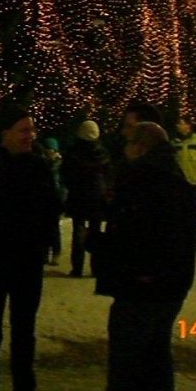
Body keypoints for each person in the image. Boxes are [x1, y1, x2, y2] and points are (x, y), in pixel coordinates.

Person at [98, 122, 196, 391]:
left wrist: (97, 244)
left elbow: (135, 235)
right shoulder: (175, 178)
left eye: (128, 142)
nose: (124, 148)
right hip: (170, 285)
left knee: (128, 362)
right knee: (156, 356)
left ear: (140, 146)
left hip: (142, 285)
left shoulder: (144, 180)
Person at [0, 106, 61, 391]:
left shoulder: (38, 166)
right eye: (24, 130)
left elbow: (50, 209)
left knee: (24, 329)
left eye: (32, 130)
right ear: (5, 133)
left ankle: (25, 386)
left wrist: (47, 242)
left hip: (27, 260)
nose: (30, 136)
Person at [61, 119, 110, 278]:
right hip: (97, 195)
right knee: (96, 231)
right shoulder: (102, 152)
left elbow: (66, 174)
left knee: (78, 231)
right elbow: (108, 173)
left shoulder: (73, 152)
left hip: (79, 195)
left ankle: (77, 267)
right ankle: (96, 268)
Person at [172, 116, 196, 236]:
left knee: (192, 203)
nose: (178, 126)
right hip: (179, 178)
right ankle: (183, 226)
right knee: (180, 203)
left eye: (181, 124)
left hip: (193, 178)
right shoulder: (175, 141)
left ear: (188, 125)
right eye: (178, 124)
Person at [39, 136, 64, 266]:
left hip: (56, 198)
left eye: (51, 149)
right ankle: (44, 254)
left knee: (54, 228)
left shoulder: (59, 164)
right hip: (45, 199)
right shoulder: (41, 163)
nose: (49, 152)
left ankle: (55, 252)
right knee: (44, 227)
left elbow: (63, 184)